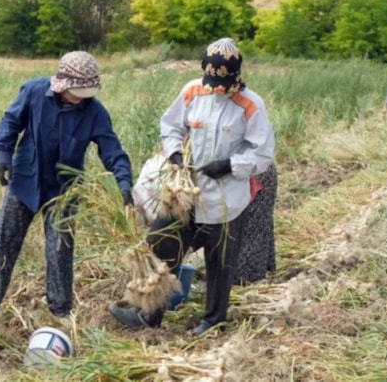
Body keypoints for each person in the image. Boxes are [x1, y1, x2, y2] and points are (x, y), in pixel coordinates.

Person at [108, 38, 275, 336]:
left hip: (226, 199)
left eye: (225, 82)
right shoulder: (192, 91)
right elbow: (170, 126)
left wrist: (228, 166)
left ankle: (213, 320)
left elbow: (262, 153)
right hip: (183, 195)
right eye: (213, 81)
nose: (218, 89)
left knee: (220, 263)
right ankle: (149, 314)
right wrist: (174, 152)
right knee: (160, 246)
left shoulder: (251, 104)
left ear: (236, 76)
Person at [0, 50, 134, 318]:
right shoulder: (34, 92)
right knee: (5, 244)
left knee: (60, 250)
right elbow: (10, 121)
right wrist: (4, 154)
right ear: (63, 84)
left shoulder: (94, 112)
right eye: (77, 91)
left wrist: (124, 182)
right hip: (25, 180)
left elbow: (111, 149)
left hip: (65, 190)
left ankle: (60, 312)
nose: (81, 98)